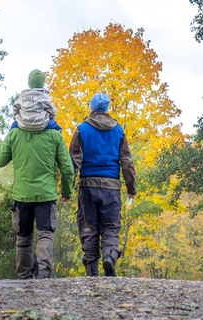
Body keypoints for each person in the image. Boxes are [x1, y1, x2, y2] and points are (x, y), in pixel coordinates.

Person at [0, 101, 74, 280]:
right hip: (46, 195)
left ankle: (24, 276)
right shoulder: (54, 135)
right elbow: (67, 168)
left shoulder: (14, 134)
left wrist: (11, 137)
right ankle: (43, 275)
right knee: (45, 234)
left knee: (23, 236)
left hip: (22, 195)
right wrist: (67, 191)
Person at [69, 92, 136, 277]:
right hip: (111, 187)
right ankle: (109, 255)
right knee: (111, 227)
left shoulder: (82, 129)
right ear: (107, 109)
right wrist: (131, 188)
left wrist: (67, 188)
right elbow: (126, 161)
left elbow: (73, 161)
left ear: (92, 108)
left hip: (87, 186)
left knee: (88, 226)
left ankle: (92, 271)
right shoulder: (118, 131)